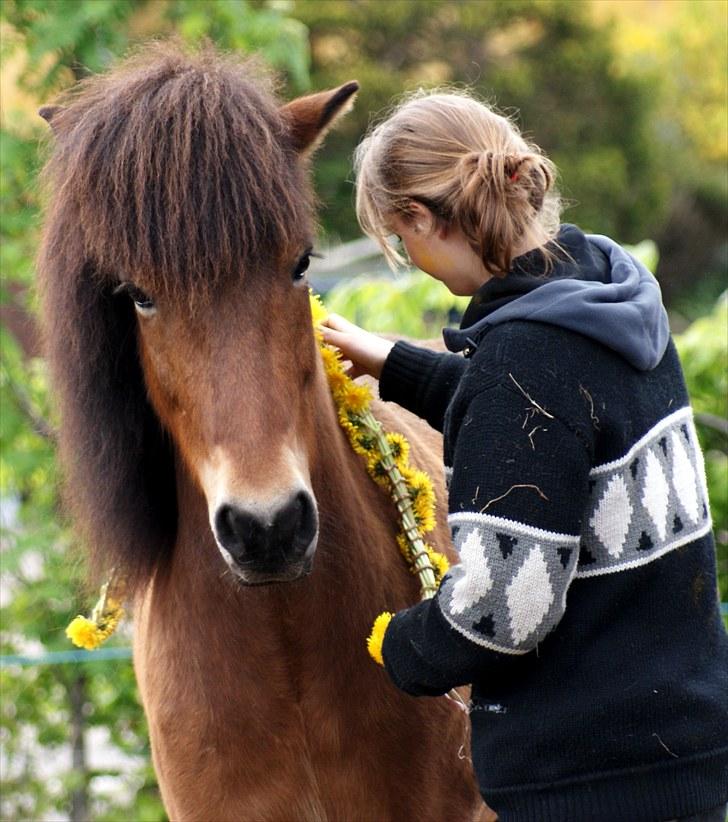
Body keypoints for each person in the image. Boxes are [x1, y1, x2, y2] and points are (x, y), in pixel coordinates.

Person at [320, 90, 728, 822]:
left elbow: (505, 611)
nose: (412, 262)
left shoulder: (522, 365)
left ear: (422, 218)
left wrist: (400, 645)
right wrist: (395, 363)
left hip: (587, 784)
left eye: (402, 240)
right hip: (680, 756)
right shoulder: (611, 298)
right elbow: (555, 431)